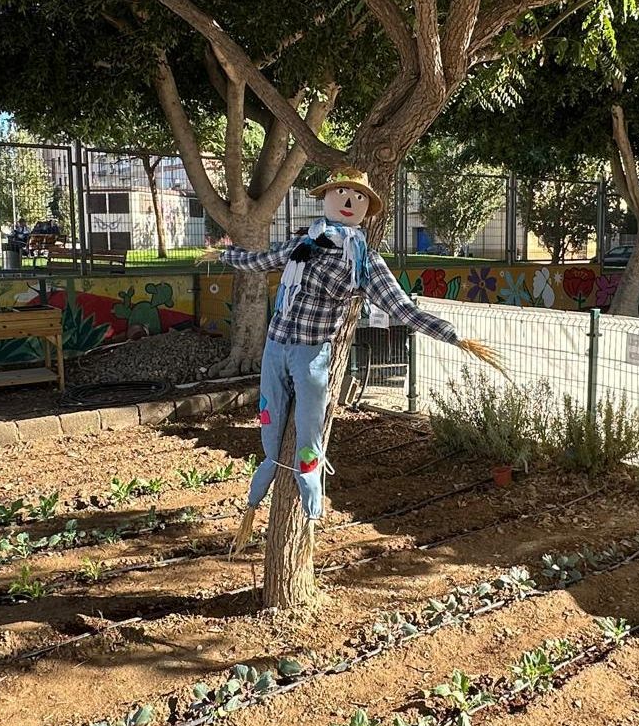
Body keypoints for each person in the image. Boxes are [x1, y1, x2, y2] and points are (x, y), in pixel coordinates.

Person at [201, 171, 501, 546]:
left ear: (367, 211)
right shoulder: (302, 244)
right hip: (275, 349)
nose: (348, 200)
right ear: (326, 197)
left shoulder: (363, 261)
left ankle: (309, 511)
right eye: (341, 192)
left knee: (308, 439)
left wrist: (452, 335)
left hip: (312, 357)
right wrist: (225, 254)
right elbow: (261, 261)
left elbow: (400, 307)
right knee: (269, 425)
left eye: (358, 197)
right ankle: (256, 496)